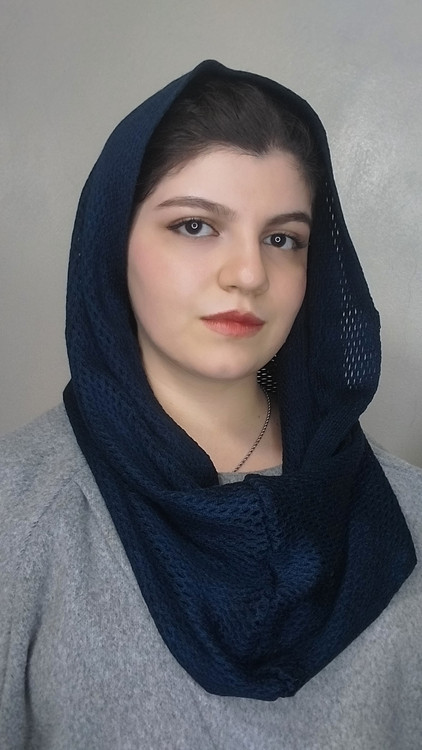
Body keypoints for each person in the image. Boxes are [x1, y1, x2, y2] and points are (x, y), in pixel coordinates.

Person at [0, 60, 421, 749]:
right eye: (195, 226)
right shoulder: (19, 516)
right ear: (114, 243)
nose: (249, 274)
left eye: (282, 239)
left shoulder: (407, 517)